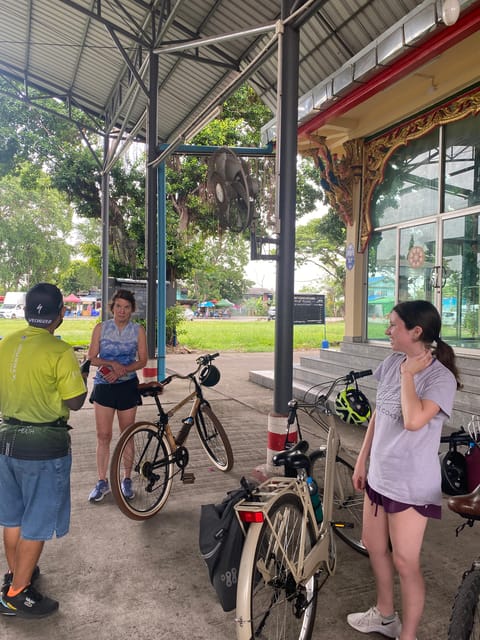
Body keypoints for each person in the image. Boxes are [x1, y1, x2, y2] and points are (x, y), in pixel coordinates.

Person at [348, 300, 461, 640]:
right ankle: (385, 615)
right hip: (380, 476)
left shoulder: (441, 379)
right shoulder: (391, 361)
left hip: (411, 484)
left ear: (416, 331)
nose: (387, 331)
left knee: (405, 562)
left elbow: (413, 421)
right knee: (374, 545)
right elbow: (380, 414)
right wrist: (362, 458)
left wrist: (410, 375)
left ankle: (408, 635)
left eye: (394, 325)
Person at [0, 283, 88, 618]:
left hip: (5, 440)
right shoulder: (59, 351)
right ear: (60, 315)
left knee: (13, 517)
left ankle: (15, 576)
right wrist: (81, 375)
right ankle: (17, 593)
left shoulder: (5, 344)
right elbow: (75, 402)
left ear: (24, 311)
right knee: (36, 522)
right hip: (43, 447)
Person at [87, 289, 147, 502]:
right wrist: (112, 364)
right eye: (118, 306)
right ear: (112, 308)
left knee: (126, 434)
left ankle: (127, 479)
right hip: (104, 386)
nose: (122, 311)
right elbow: (92, 358)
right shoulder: (101, 328)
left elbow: (142, 360)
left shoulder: (138, 330)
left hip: (127, 386)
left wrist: (125, 369)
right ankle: (102, 481)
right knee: (103, 436)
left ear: (132, 310)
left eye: (126, 307)